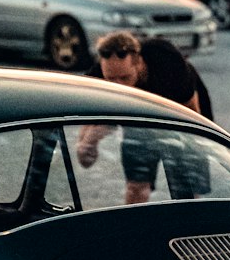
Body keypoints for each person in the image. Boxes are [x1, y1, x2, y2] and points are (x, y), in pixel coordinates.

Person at [77, 32, 213, 204]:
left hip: (180, 112)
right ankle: (135, 226)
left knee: (186, 187)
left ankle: (189, 224)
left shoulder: (167, 59)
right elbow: (92, 116)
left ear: (139, 62)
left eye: (125, 77)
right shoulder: (99, 74)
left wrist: (196, 148)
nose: (118, 85)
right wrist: (87, 142)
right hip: (138, 119)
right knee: (136, 186)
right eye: (111, 79)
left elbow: (192, 109)